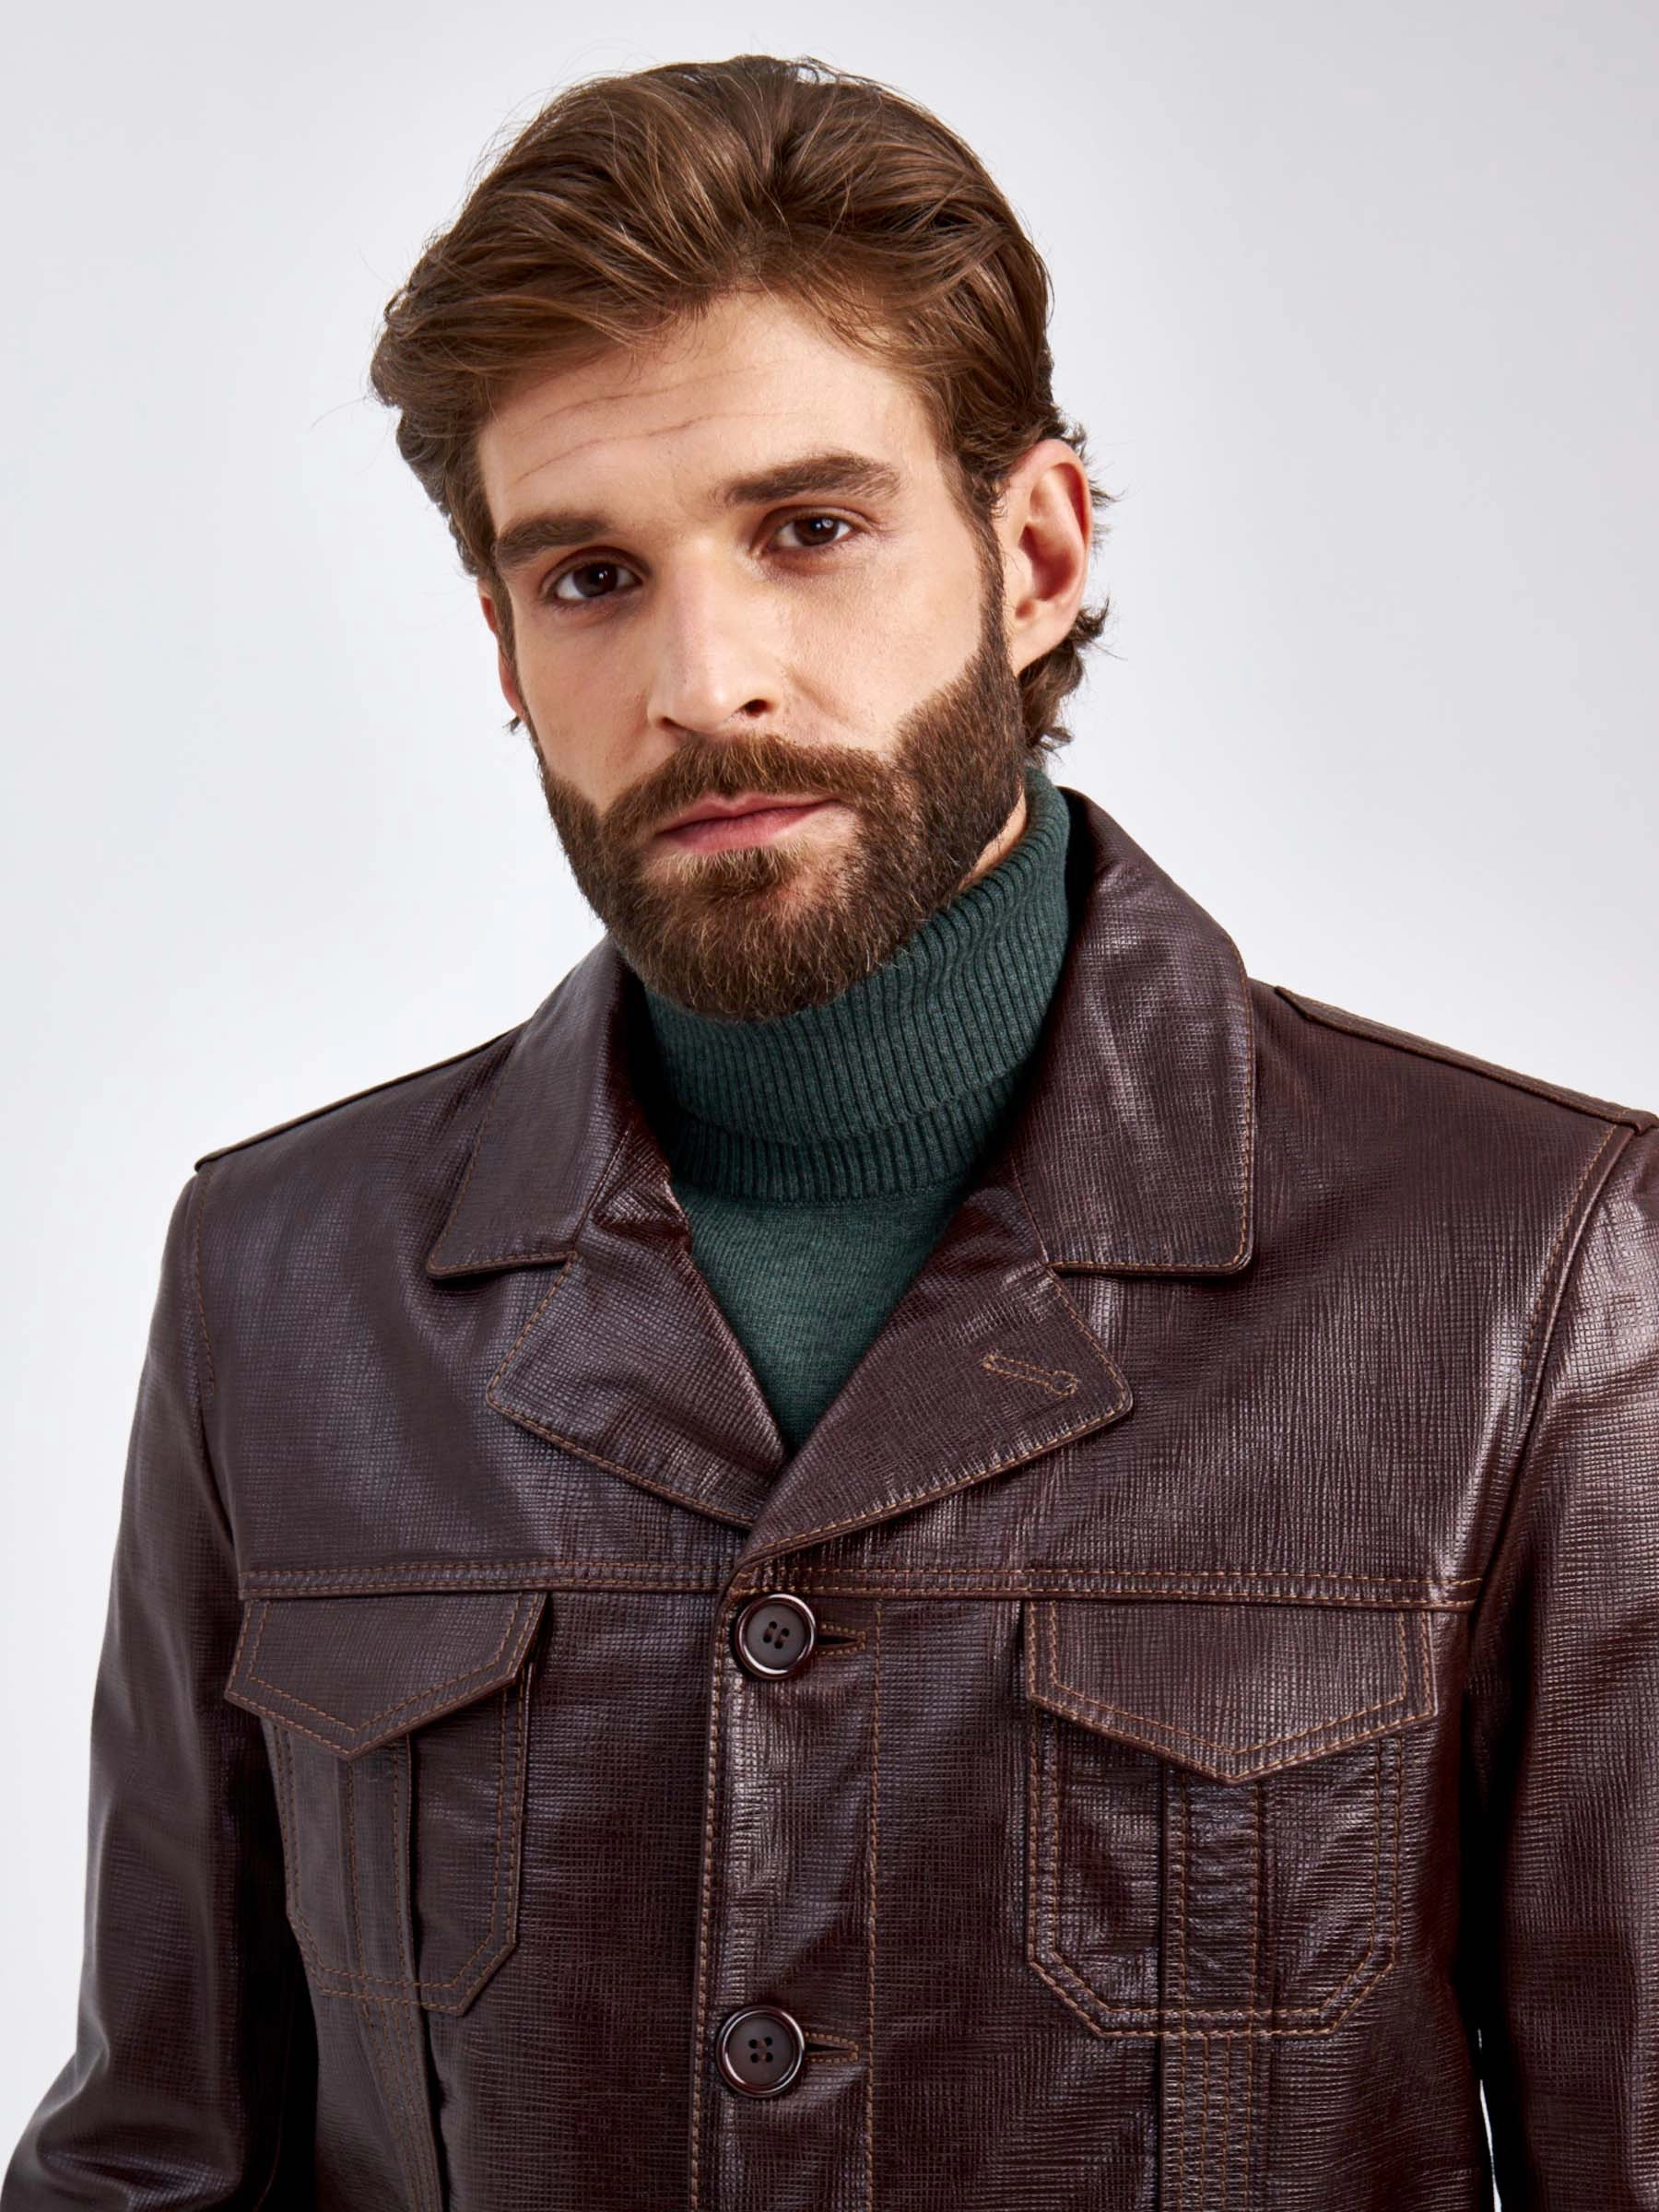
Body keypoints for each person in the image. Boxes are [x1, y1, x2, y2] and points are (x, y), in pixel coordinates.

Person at [6, 52, 1656, 2212]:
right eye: (591, 576)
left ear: (1033, 551)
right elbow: (153, 2159)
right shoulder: (282, 1275)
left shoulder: (1531, 1268)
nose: (708, 679)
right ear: (501, 644)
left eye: (809, 530)